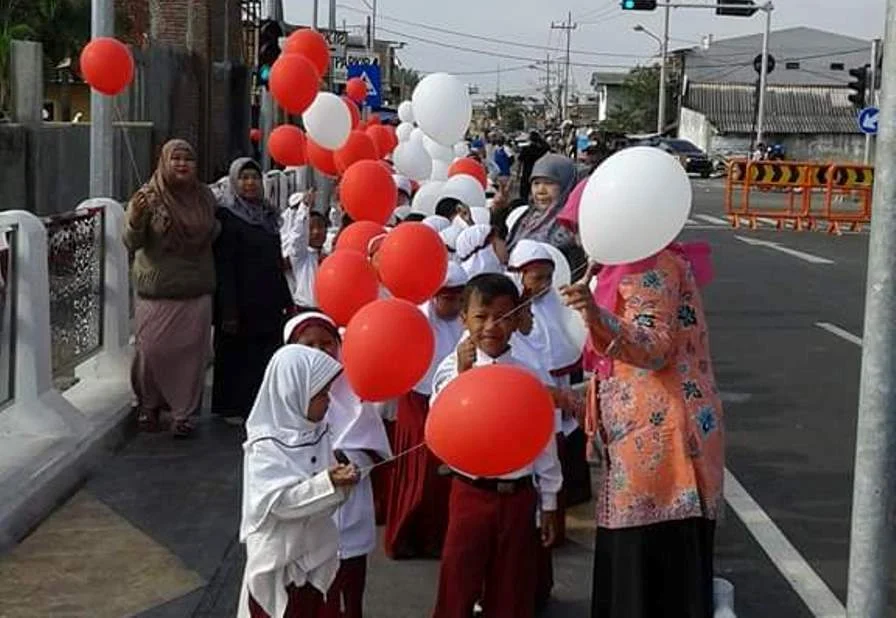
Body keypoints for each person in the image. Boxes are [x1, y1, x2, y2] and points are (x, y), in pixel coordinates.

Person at [561, 245, 723, 618]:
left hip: (662, 445)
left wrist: (595, 314)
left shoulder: (652, 264)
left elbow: (655, 348)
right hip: (643, 436)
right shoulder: (624, 263)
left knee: (646, 574)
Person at [430, 273, 562, 618]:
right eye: (481, 316)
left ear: (517, 319)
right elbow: (438, 425)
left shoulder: (529, 373)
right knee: (458, 583)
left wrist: (548, 500)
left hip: (518, 495)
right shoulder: (452, 368)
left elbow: (544, 439)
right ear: (464, 319)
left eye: (503, 317)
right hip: (470, 493)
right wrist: (462, 376)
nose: (491, 326)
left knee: (511, 589)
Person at [238, 345, 360, 618]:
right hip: (278, 565)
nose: (328, 401)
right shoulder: (264, 445)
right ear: (293, 392)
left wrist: (342, 485)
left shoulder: (319, 433)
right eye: (321, 394)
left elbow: (325, 503)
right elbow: (278, 503)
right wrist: (327, 483)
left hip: (317, 555)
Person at [283, 312, 392, 618]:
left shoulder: (356, 394)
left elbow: (376, 449)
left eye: (327, 343)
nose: (319, 352)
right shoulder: (282, 400)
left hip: (352, 507)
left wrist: (351, 462)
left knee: (350, 590)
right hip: (306, 518)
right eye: (309, 345)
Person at [123, 139, 219, 438]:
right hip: (157, 291)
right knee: (150, 353)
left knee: (192, 359)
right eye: (175, 159)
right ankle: (149, 405)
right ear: (163, 162)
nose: (182, 164)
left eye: (187, 159)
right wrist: (138, 218)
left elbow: (214, 231)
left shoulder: (205, 197)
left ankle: (183, 414)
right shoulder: (147, 197)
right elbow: (131, 241)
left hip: (195, 289)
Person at [385, 263, 468, 559]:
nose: (455, 306)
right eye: (449, 299)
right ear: (435, 297)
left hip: (450, 406)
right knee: (418, 470)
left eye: (460, 300)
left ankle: (436, 537)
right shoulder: (417, 320)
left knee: (442, 477)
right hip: (417, 402)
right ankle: (406, 534)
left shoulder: (465, 326)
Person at [213, 157, 294, 425]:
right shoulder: (227, 216)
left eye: (254, 178)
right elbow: (224, 265)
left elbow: (276, 260)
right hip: (239, 299)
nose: (249, 183)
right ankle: (233, 408)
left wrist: (286, 298)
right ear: (234, 182)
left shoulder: (268, 215)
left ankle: (262, 406)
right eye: (244, 178)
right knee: (238, 356)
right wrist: (228, 309)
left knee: (265, 356)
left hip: (268, 299)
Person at [508, 153, 587, 275]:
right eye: (536, 183)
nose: (541, 191)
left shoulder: (571, 224)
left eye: (549, 183)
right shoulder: (527, 217)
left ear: (566, 186)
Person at [281, 190, 326, 308]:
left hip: (327, 310)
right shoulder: (301, 254)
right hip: (305, 309)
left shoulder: (329, 255)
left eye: (320, 227)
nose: (316, 232)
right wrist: (304, 207)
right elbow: (298, 236)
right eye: (311, 228)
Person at [517, 131, 550, 201]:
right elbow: (547, 147)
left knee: (524, 193)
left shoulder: (526, 149)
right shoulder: (542, 149)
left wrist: (518, 173)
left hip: (526, 173)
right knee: (538, 190)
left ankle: (524, 204)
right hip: (539, 172)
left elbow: (520, 162)